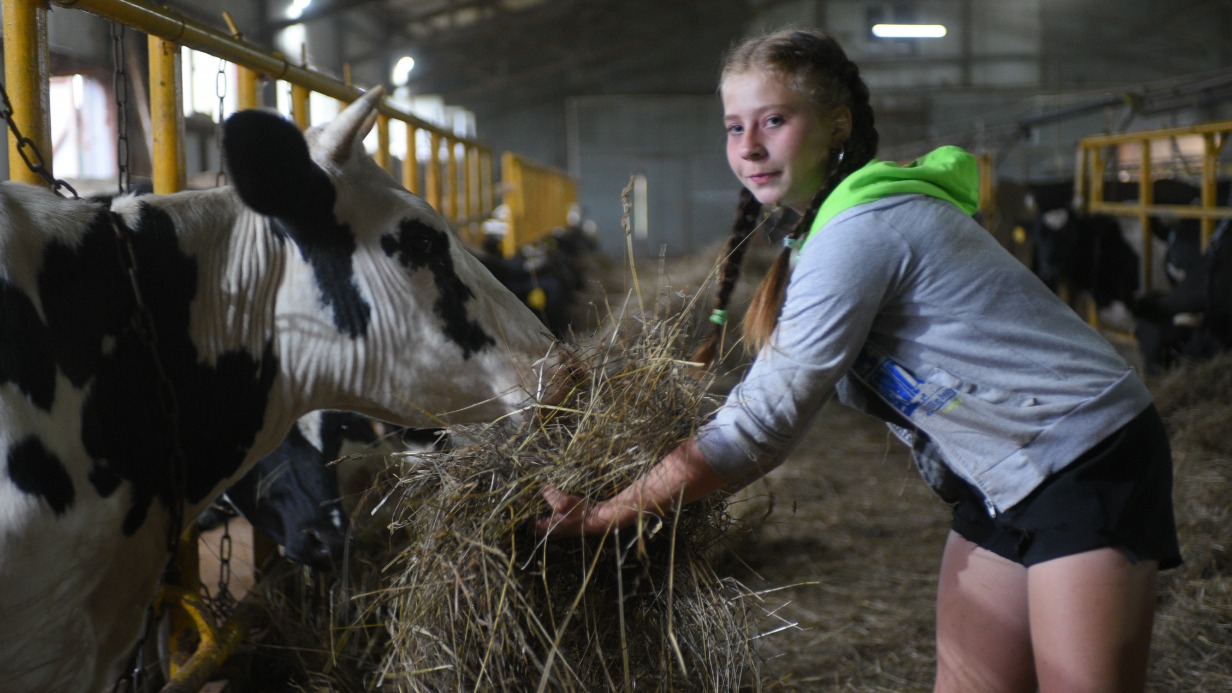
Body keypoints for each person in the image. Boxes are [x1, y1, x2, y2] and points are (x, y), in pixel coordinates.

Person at [536, 27, 1181, 693]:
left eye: (775, 120)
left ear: (836, 127)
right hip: (1000, 472)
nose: (749, 147)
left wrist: (613, 509)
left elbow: (760, 427)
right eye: (734, 127)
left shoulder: (861, 230)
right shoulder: (829, 228)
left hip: (1085, 455)